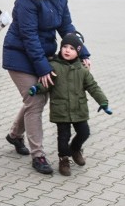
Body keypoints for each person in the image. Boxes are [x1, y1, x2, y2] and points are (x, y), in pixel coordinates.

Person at [2, 0, 90, 175]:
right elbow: (29, 36)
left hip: (42, 54)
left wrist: (82, 52)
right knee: (36, 99)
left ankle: (14, 135)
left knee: (34, 99)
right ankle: (38, 155)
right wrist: (43, 68)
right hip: (19, 55)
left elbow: (66, 26)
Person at [27, 33, 111, 176]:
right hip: (61, 109)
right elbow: (47, 83)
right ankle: (64, 159)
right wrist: (37, 88)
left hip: (79, 108)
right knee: (63, 136)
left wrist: (103, 102)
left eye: (71, 48)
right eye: (64, 47)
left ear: (78, 52)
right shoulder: (53, 66)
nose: (67, 50)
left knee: (84, 132)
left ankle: (75, 148)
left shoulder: (82, 70)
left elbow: (93, 86)